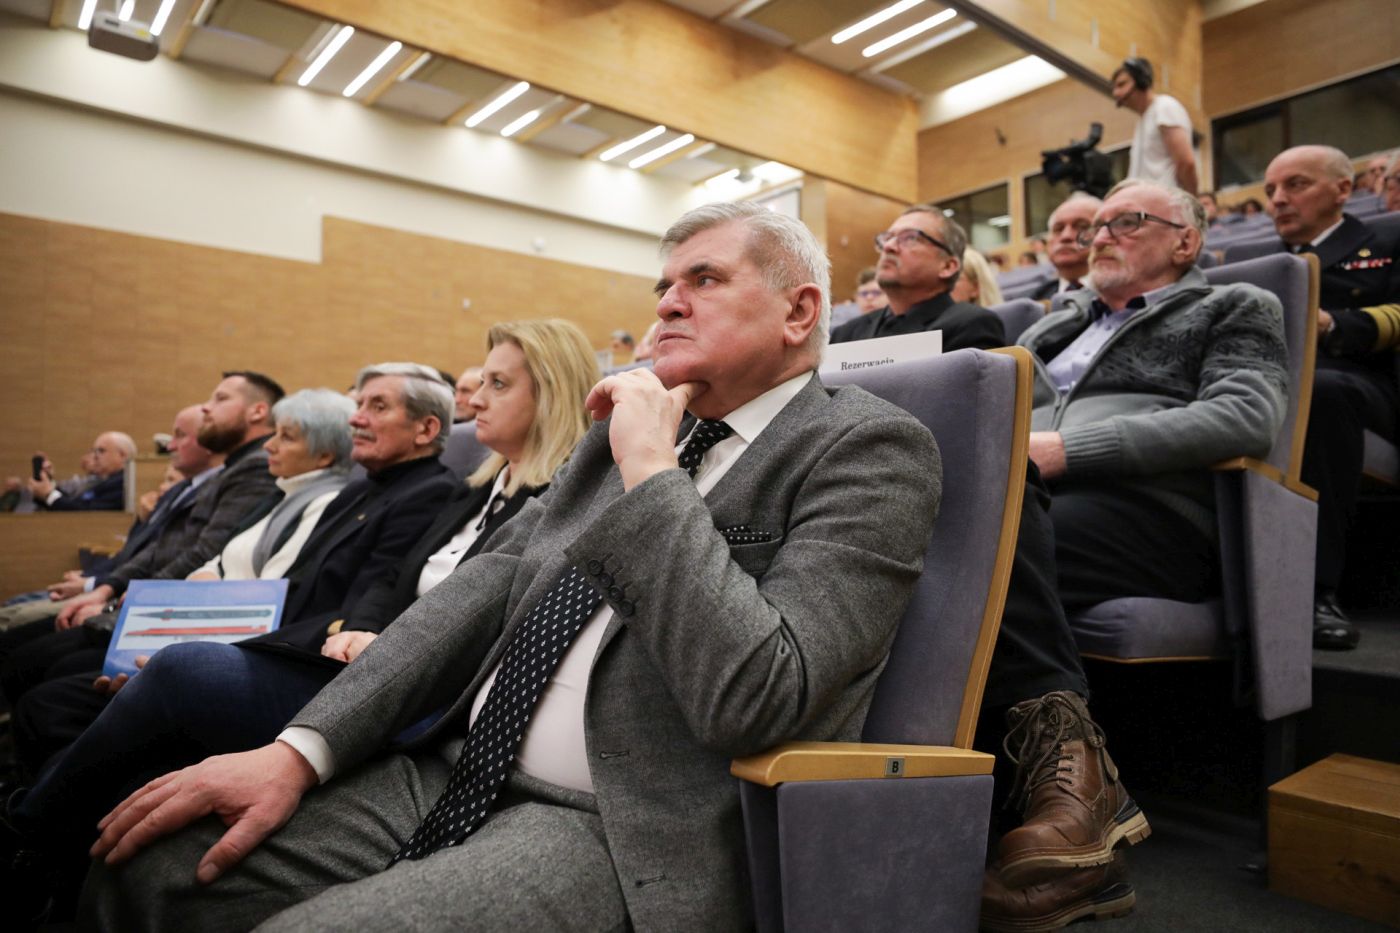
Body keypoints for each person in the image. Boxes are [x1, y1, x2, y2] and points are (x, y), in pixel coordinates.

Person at [79, 201, 940, 931]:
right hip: (449, 766)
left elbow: (759, 697)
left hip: (617, 822)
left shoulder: (863, 446)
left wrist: (652, 473)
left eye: (704, 279)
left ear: (799, 312)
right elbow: (479, 590)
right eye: (663, 286)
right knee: (149, 868)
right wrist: (299, 751)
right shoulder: (615, 441)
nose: (668, 303)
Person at [0, 324, 602, 928]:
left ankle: (30, 843)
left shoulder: (561, 503)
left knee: (179, 672)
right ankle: (58, 864)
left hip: (423, 689)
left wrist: (365, 638)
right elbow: (388, 583)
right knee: (121, 734)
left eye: (498, 384)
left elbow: (483, 616)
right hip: (363, 654)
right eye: (481, 381)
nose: (473, 401)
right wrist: (358, 630)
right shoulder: (471, 492)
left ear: (552, 394)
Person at [980, 178, 1288, 929]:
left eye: (1128, 221)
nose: (1101, 236)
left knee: (982, 547)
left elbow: (1247, 415)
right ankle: (1050, 813)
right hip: (1032, 500)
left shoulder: (1235, 305)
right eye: (1098, 225)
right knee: (943, 536)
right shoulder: (1052, 327)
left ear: (1186, 241)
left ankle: (1061, 802)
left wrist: (1067, 451)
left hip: (1157, 513)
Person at [0, 372, 282, 703]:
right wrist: (108, 588)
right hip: (154, 601)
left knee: (37, 674)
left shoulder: (254, 467)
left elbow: (204, 552)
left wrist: (125, 600)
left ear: (258, 411)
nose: (207, 408)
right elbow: (161, 547)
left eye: (220, 399)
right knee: (26, 655)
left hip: (176, 611)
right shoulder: (231, 470)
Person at [1263, 144, 1400, 649]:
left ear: (1343, 189)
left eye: (1295, 184)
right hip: (1269, 379)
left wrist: (1333, 324)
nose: (1278, 199)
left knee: (1318, 392)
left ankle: (1315, 591)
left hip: (1358, 379)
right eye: (1270, 190)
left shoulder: (1386, 239)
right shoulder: (1257, 261)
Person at [830, 206, 1006, 349]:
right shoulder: (845, 335)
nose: (889, 246)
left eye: (910, 238)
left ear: (947, 266)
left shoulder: (971, 325)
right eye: (887, 238)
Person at [1111, 57, 1197, 193]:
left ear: (1141, 80)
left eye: (1122, 85)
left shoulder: (1164, 107)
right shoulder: (1143, 120)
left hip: (1164, 202)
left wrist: (1191, 202)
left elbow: (1186, 163)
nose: (1115, 93)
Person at [28, 433, 136, 512]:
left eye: (101, 451)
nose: (94, 456)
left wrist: (49, 494)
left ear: (122, 455)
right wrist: (49, 486)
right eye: (93, 451)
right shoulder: (104, 480)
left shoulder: (124, 482)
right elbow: (76, 502)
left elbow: (86, 513)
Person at [1031, 193, 1102, 301]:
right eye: (1058, 229)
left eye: (1081, 226)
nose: (1066, 236)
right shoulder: (1034, 301)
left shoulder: (1123, 294)